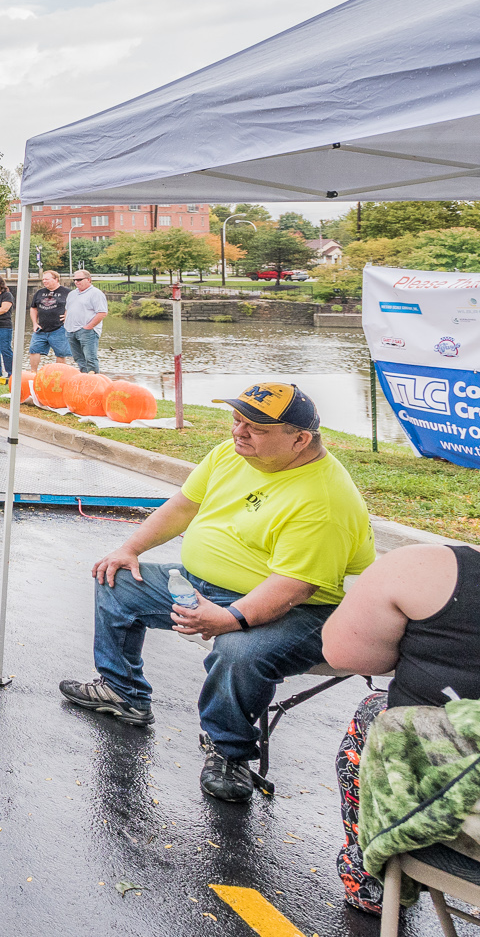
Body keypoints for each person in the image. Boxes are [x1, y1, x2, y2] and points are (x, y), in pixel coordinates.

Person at [59, 383, 374, 803]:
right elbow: (185, 505)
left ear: (300, 439)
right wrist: (130, 548)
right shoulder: (234, 453)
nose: (239, 432)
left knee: (238, 650)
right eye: (238, 420)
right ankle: (124, 693)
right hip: (205, 584)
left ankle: (229, 752)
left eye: (257, 427)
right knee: (115, 581)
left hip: (302, 608)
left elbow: (294, 587)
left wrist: (230, 619)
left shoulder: (324, 498)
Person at [323, 541, 480, 913]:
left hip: (459, 823)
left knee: (376, 717)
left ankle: (370, 879)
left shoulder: (425, 568)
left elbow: (345, 653)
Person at [64, 269, 109, 374]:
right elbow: (67, 309)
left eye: (79, 279)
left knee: (90, 358)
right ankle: (84, 378)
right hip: (71, 330)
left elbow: (102, 313)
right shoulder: (72, 294)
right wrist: (66, 323)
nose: (76, 282)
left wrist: (88, 327)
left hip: (87, 331)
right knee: (79, 359)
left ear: (88, 280)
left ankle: (94, 381)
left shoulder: (96, 293)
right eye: (74, 280)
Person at [26, 269, 71, 371]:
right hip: (41, 328)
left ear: (56, 279)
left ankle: (59, 375)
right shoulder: (40, 293)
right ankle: (33, 372)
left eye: (47, 279)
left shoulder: (67, 292)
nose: (44, 281)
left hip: (59, 328)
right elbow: (33, 308)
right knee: (34, 350)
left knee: (61, 353)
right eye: (43, 279)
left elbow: (75, 306)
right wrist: (34, 323)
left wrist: (67, 314)